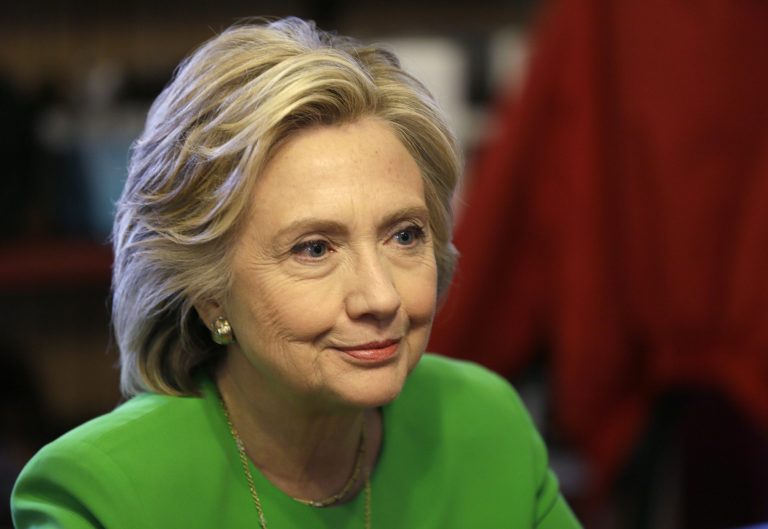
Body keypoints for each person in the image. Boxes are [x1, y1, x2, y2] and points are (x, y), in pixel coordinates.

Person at [11, 17, 581, 528]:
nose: (381, 296)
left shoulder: (485, 424)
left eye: (404, 235)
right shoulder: (100, 495)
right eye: (314, 249)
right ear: (210, 296)